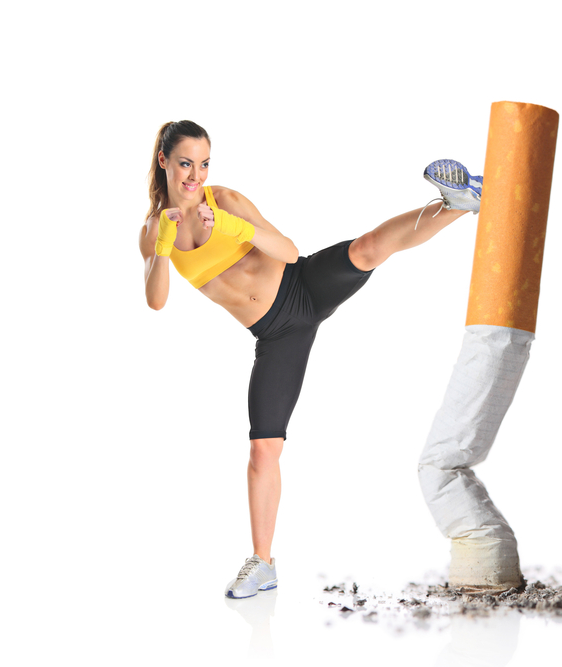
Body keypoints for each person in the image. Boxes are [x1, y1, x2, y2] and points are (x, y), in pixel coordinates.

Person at [139, 120, 483, 599]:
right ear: (164, 161)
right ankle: (263, 564)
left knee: (366, 249)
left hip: (303, 285)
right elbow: (156, 300)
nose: (196, 174)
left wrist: (238, 228)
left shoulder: (226, 200)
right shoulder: (156, 229)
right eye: (185, 163)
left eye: (203, 163)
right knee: (264, 448)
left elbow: (289, 249)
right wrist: (159, 249)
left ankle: (460, 203)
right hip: (276, 336)